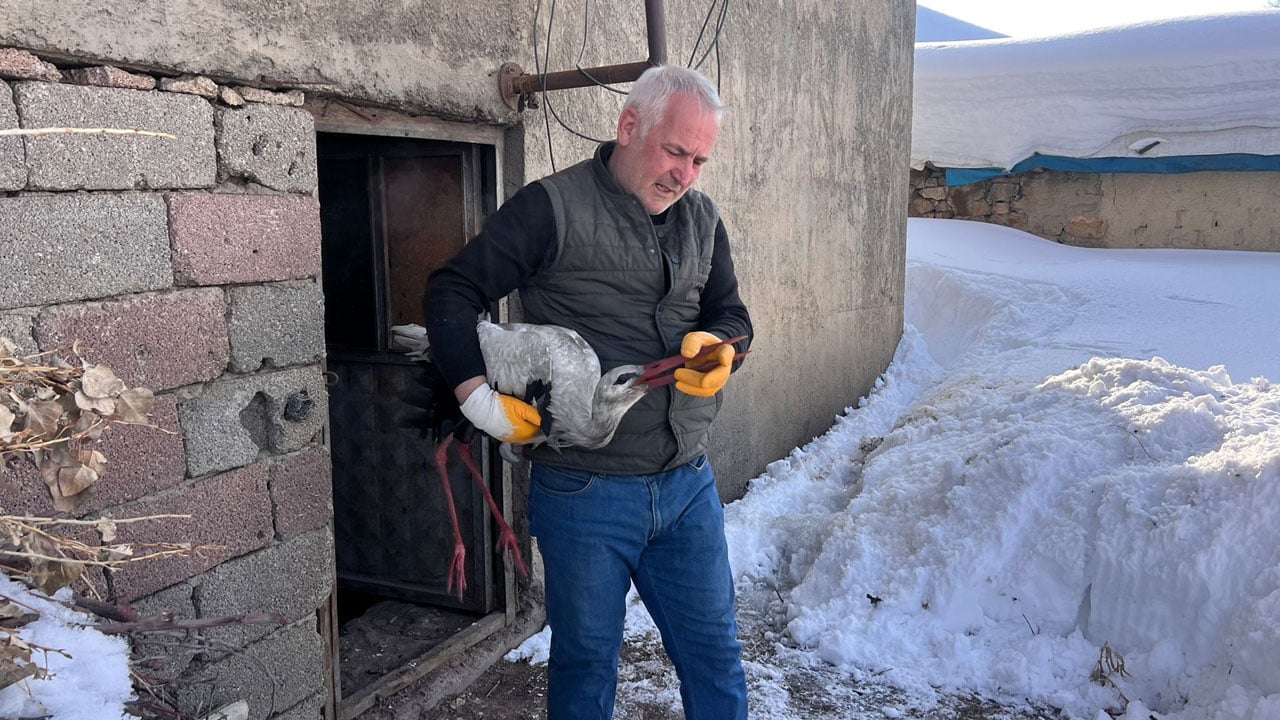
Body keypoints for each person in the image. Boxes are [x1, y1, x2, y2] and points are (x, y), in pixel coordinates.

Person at [424, 64, 752, 720]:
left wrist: (723, 352)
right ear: (630, 126)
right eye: (675, 152)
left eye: (700, 160)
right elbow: (451, 290)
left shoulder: (702, 219)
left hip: (687, 485)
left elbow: (732, 315)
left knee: (714, 652)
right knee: (586, 659)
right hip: (584, 493)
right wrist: (475, 399)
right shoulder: (551, 208)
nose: (685, 174)